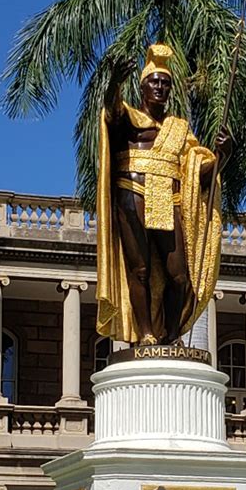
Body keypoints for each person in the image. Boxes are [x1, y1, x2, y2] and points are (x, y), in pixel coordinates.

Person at [96, 44, 232, 346]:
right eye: (153, 82)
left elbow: (201, 172)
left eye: (165, 83)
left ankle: (169, 337)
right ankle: (145, 334)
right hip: (132, 193)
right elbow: (111, 113)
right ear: (142, 87)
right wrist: (115, 83)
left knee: (180, 276)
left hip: (168, 200)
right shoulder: (130, 117)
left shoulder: (179, 128)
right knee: (140, 269)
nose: (159, 87)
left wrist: (223, 154)